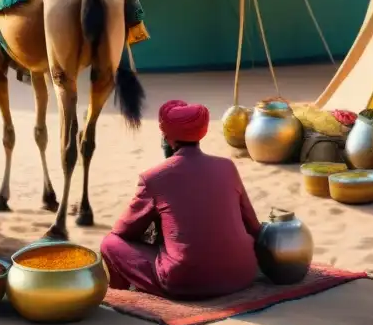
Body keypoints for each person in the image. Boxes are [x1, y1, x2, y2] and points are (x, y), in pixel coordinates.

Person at [100, 99, 262, 299]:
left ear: (166, 137)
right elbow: (253, 226)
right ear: (201, 133)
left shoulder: (153, 177)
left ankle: (122, 295)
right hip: (242, 274)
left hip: (185, 283)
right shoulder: (228, 167)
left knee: (109, 243)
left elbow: (123, 231)